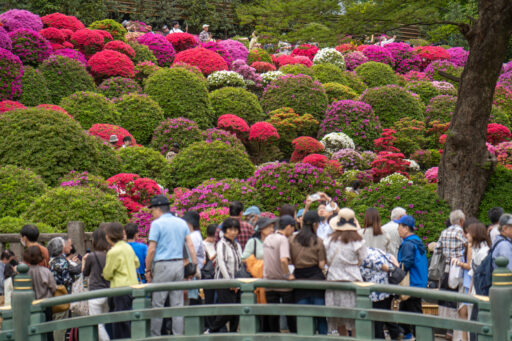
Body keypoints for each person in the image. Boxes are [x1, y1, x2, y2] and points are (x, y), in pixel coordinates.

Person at [146, 195, 197, 336]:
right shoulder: (181, 223)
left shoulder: (157, 224)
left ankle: (155, 336)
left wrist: (148, 269)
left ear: (158, 209)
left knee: (158, 303)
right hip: (179, 264)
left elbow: (151, 249)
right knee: (177, 304)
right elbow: (190, 245)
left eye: (152, 210)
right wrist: (194, 264)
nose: (152, 213)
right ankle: (178, 336)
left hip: (162, 265)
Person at [324, 208, 367, 337]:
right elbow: (364, 258)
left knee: (339, 317)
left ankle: (343, 338)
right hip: (353, 279)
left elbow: (325, 259)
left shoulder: (328, 240)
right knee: (355, 316)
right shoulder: (358, 241)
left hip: (334, 279)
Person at [289, 211, 327, 335]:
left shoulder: (293, 239)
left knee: (303, 315)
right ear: (315, 224)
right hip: (316, 279)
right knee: (320, 316)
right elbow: (321, 264)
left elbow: (289, 260)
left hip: (299, 278)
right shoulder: (318, 241)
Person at [102, 222, 139, 339]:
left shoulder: (113, 252)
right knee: (128, 320)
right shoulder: (128, 247)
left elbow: (107, 274)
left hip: (119, 288)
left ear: (109, 235)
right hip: (132, 286)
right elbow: (137, 263)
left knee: (119, 321)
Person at [206, 218, 243, 333]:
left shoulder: (237, 245)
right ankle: (212, 329)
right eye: (230, 229)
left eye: (236, 229)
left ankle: (233, 333)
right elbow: (221, 263)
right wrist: (230, 282)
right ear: (225, 230)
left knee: (236, 311)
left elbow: (240, 262)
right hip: (223, 281)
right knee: (229, 309)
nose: (233, 232)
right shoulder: (221, 244)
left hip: (236, 281)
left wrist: (237, 281)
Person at [435, 209, 467, 340]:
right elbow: (468, 246)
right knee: (458, 299)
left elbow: (437, 249)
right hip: (459, 268)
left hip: (447, 269)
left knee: (448, 299)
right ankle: (457, 331)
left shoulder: (444, 232)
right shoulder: (461, 232)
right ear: (461, 221)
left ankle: (449, 329)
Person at [263, 215, 297, 333]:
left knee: (273, 315)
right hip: (282, 283)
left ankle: (274, 337)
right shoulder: (283, 239)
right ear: (288, 227)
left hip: (268, 281)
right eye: (293, 228)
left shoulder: (268, 238)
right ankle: (294, 336)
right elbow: (283, 259)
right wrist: (288, 274)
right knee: (290, 313)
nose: (293, 231)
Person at [397, 215, 428, 341]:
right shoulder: (417, 241)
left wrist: (395, 266)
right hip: (419, 281)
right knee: (405, 309)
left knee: (414, 313)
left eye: (399, 226)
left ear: (406, 228)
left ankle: (421, 337)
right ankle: (406, 335)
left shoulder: (408, 244)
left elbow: (406, 263)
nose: (398, 229)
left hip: (412, 283)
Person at [360, 247, 400, 340]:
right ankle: (396, 332)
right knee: (385, 312)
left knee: (377, 319)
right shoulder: (374, 250)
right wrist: (394, 269)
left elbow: (379, 265)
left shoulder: (364, 256)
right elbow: (390, 256)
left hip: (377, 291)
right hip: (387, 286)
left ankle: (386, 335)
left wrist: (389, 269)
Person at [48, 237, 81, 341]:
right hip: (62, 295)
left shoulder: (50, 260)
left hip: (52, 294)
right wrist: (79, 274)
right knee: (61, 325)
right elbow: (67, 280)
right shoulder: (62, 261)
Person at [82, 227, 111, 341]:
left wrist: (84, 260)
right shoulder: (109, 255)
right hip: (108, 291)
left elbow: (85, 272)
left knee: (98, 324)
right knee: (104, 322)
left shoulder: (91, 256)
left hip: (95, 292)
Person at [25, 246, 56, 327]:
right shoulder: (45, 271)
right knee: (48, 329)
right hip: (46, 304)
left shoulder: (24, 273)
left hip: (30, 305)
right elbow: (53, 287)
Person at [182, 211, 205, 305]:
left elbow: (191, 253)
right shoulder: (195, 234)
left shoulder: (193, 236)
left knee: (193, 300)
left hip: (193, 271)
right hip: (194, 270)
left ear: (189, 223)